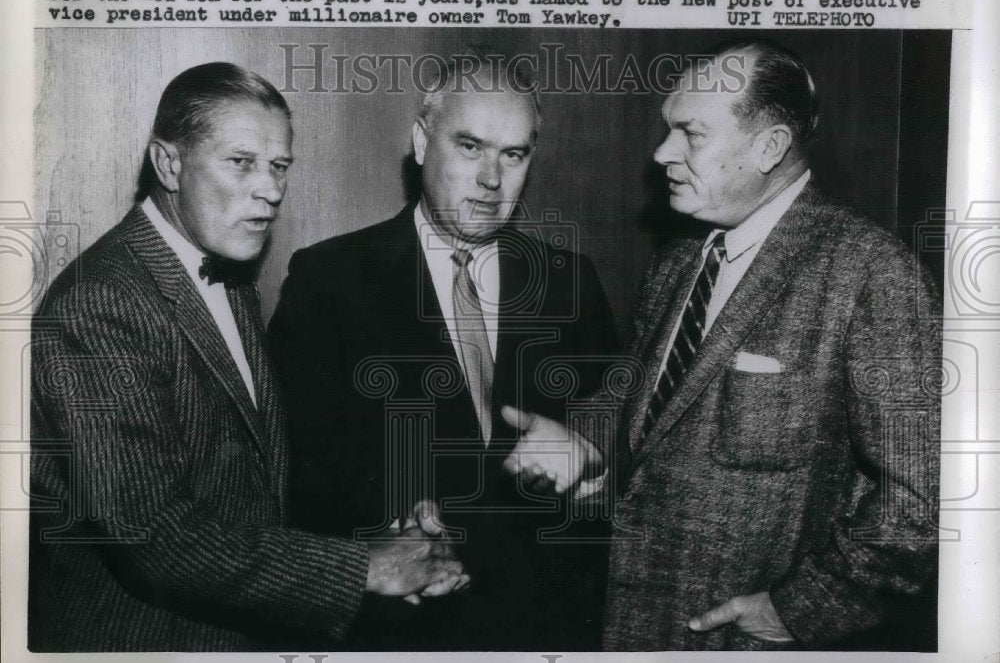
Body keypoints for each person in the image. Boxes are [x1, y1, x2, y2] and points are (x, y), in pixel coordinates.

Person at [507, 39, 941, 651]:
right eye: (667, 130)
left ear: (769, 146)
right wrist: (583, 443)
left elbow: (920, 498)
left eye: (691, 133)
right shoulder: (679, 262)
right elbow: (636, 401)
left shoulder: (872, 275)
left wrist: (802, 610)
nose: (662, 153)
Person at [29, 63, 467, 652]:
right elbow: (157, 537)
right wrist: (364, 567)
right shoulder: (97, 304)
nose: (272, 189)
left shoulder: (231, 278)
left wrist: (384, 536)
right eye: (241, 162)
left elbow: (254, 481)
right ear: (169, 164)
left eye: (279, 165)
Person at [268, 49, 619, 650]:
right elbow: (291, 465)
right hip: (401, 627)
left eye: (514, 154)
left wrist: (591, 467)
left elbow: (618, 438)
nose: (492, 179)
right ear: (422, 142)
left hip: (542, 622)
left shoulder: (571, 281)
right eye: (470, 146)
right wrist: (388, 525)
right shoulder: (330, 278)